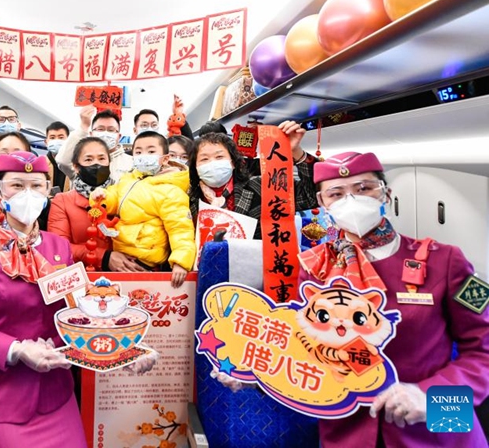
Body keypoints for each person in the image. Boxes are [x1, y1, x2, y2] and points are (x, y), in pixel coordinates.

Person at [297, 152, 489, 447]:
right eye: (336, 193)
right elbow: (304, 349)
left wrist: (433, 398)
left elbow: (483, 351)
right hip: (348, 433)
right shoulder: (315, 269)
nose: (351, 200)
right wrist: (253, 373)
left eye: (363, 189)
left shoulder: (446, 260)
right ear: (323, 204)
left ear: (386, 193)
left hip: (437, 429)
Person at [0, 151, 82, 447]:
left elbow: (75, 310)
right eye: (16, 185)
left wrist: (122, 352)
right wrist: (16, 349)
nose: (28, 194)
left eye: (36, 186)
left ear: (48, 191)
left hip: (57, 394)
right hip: (1, 397)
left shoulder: (59, 246)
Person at [90, 131, 196, 288]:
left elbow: (180, 228)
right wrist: (101, 196)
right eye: (138, 152)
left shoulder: (171, 191)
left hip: (145, 259)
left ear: (165, 158)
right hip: (120, 250)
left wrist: (181, 261)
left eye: (151, 151)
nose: (143, 155)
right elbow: (115, 198)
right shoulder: (128, 179)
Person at [187, 122, 317, 239]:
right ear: (195, 167)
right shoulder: (187, 199)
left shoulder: (261, 187)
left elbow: (310, 197)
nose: (212, 163)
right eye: (204, 159)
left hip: (254, 263)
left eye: (219, 156)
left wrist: (297, 153)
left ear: (232, 163)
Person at [48, 137, 146, 273]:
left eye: (101, 159)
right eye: (88, 159)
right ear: (76, 167)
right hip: (83, 279)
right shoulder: (62, 201)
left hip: (126, 275)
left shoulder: (124, 196)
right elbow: (59, 247)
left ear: (109, 163)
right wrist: (104, 257)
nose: (96, 164)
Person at [56, 108, 133, 184]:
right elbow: (63, 161)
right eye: (100, 129)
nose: (105, 133)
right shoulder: (82, 160)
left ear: (119, 136)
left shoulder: (131, 163)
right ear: (91, 134)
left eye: (111, 130)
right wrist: (83, 127)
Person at [44, 121, 70, 193]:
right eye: (52, 138)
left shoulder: (75, 164)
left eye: (61, 137)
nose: (56, 140)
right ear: (46, 142)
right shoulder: (41, 164)